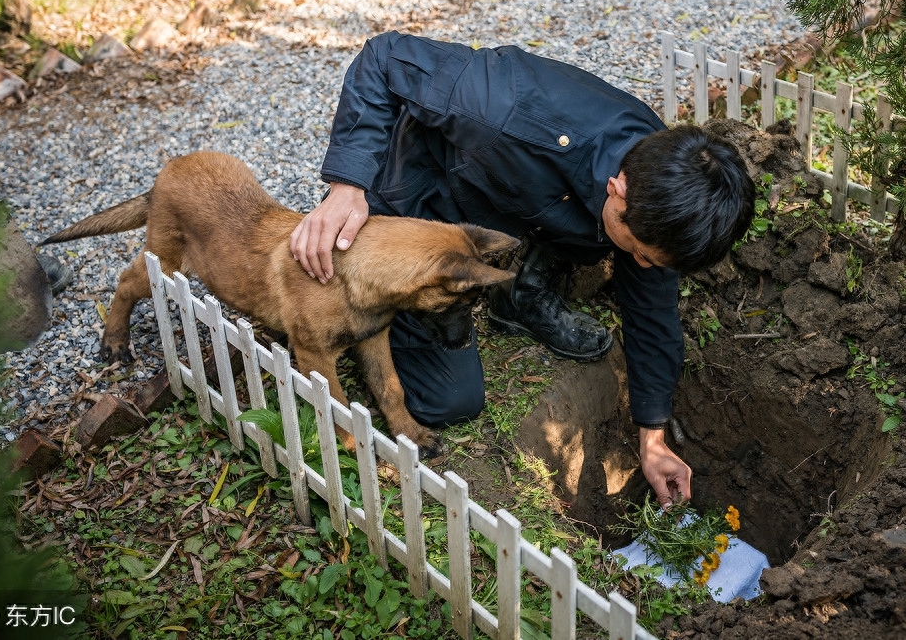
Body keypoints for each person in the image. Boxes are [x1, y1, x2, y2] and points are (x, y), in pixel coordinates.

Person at [290, 32, 754, 507]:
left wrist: (652, 436)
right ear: (618, 189)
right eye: (637, 250)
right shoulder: (500, 108)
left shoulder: (659, 191)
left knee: (594, 232)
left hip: (513, 208)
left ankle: (521, 290)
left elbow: (653, 310)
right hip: (421, 204)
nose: (639, 266)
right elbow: (385, 58)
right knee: (450, 399)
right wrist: (347, 186)